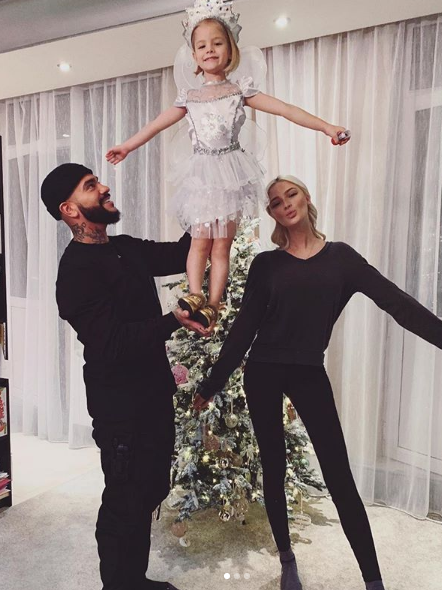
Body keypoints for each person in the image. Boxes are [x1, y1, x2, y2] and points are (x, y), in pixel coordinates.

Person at [193, 174, 442, 590]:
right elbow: (243, 331)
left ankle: (374, 581)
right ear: (272, 214)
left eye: (291, 194)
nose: (285, 203)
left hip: (308, 370)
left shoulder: (342, 259)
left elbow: (397, 304)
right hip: (263, 370)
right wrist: (211, 384)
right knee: (274, 466)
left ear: (306, 198)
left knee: (339, 477)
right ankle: (287, 560)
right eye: (276, 202)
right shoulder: (266, 265)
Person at [105, 0, 350, 329]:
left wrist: (326, 127)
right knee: (199, 241)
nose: (209, 50)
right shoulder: (189, 97)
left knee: (221, 245)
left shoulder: (240, 91)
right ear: (194, 56)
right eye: (202, 45)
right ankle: (195, 295)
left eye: (217, 43)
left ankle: (213, 304)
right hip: (202, 176)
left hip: (231, 174)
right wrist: (127, 146)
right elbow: (156, 125)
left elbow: (286, 109)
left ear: (230, 49)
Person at [41, 163, 208, 590]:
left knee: (150, 488)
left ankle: (135, 579)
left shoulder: (126, 248)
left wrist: (208, 194)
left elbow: (183, 253)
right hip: (119, 407)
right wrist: (173, 320)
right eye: (90, 185)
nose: (104, 187)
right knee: (124, 500)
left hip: (153, 393)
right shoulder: (75, 272)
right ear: (70, 210)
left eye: (97, 180)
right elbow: (112, 342)